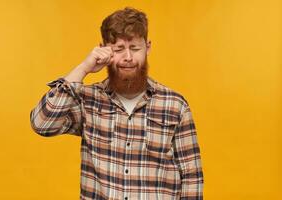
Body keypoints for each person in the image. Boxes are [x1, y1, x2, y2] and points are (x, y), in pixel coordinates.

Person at [30, 7, 204, 200]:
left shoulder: (175, 105)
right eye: (118, 49)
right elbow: (42, 124)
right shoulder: (88, 100)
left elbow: (191, 175)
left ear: (148, 47)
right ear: (102, 49)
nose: (128, 57)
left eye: (135, 48)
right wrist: (83, 68)